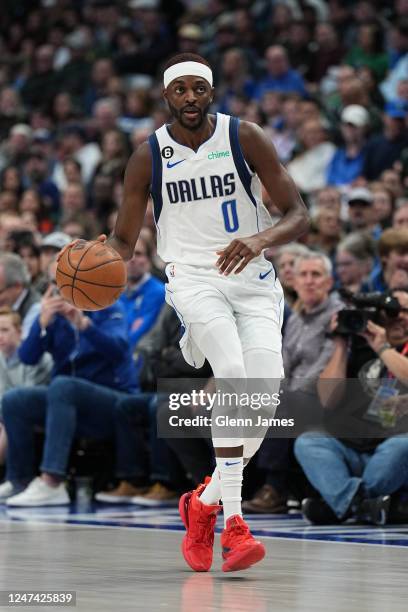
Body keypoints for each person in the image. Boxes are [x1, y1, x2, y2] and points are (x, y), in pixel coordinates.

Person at [64, 53, 309, 573]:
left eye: (200, 88)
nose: (191, 98)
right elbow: (127, 241)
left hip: (254, 278)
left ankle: (202, 504)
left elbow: (299, 214)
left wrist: (259, 238)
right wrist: (94, 258)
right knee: (235, 374)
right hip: (193, 279)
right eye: (182, 90)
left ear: (211, 92)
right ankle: (235, 527)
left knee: (264, 395)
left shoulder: (246, 137)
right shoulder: (148, 155)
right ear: (167, 96)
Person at [295, 289, 408, 525]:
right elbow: (328, 398)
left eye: (405, 311)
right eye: (392, 311)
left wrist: (382, 347)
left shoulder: (385, 346)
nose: (399, 317)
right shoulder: (357, 345)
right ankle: (363, 505)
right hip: (350, 450)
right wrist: (339, 344)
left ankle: (339, 503)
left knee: (404, 445)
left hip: (391, 454)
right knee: (308, 442)